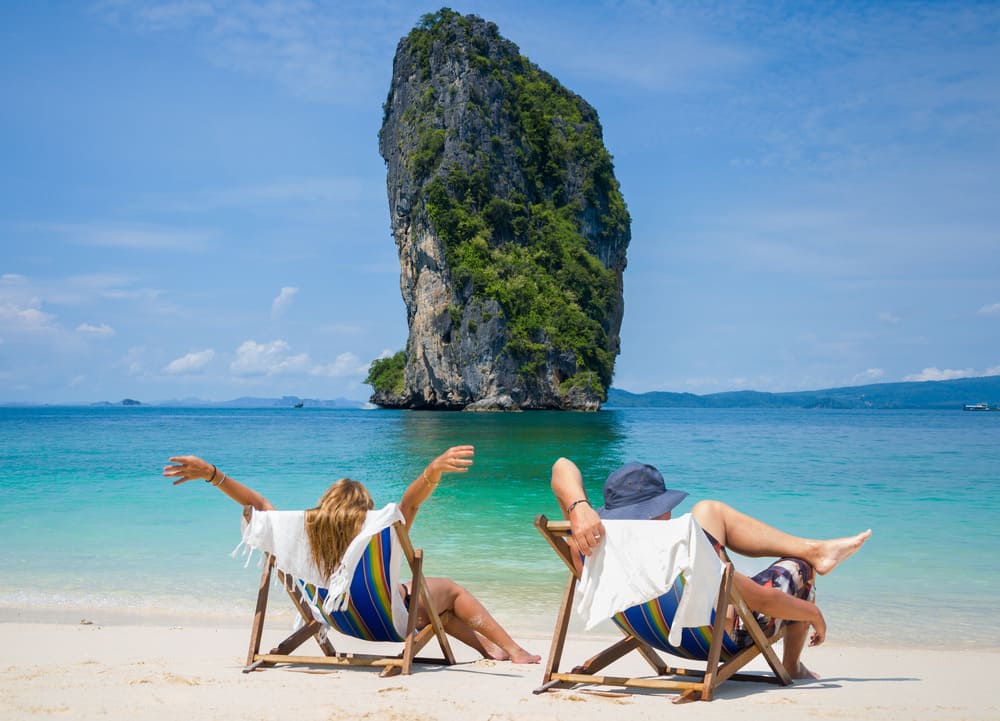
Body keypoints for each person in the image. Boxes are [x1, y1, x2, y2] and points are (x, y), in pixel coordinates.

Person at [164, 445, 540, 664]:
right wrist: (431, 471)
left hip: (339, 620)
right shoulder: (380, 529)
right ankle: (514, 649)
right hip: (388, 623)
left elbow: (258, 504)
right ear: (368, 511)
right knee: (450, 592)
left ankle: (492, 650)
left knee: (428, 602)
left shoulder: (297, 535)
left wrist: (213, 474)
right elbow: (410, 503)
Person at [550, 457, 872, 679]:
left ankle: (816, 549)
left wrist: (579, 508)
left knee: (708, 511)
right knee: (798, 568)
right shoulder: (679, 553)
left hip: (655, 631)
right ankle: (793, 662)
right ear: (660, 510)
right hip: (719, 640)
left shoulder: (588, 543)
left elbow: (561, 466)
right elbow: (761, 601)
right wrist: (814, 614)